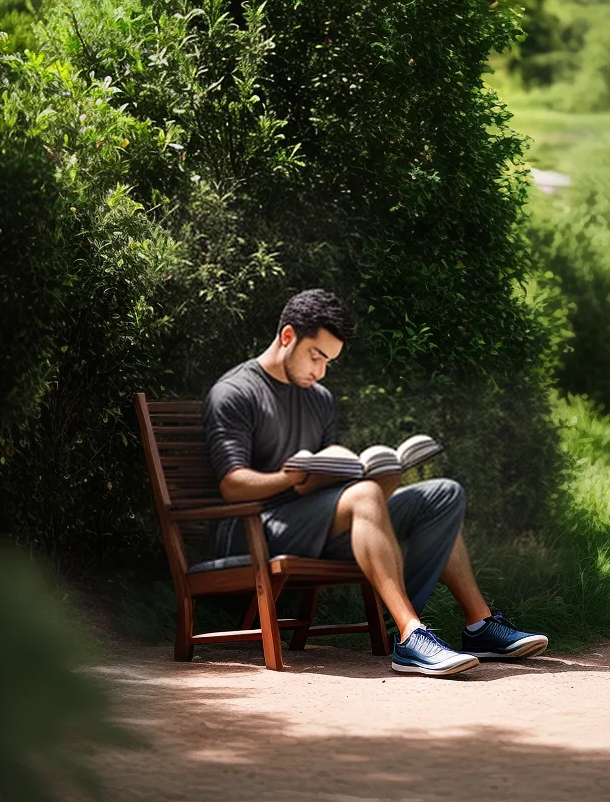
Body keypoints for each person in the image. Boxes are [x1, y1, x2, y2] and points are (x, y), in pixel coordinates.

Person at [203, 287, 549, 676]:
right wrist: (288, 477)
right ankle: (409, 635)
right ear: (287, 337)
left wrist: (377, 478)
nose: (321, 372)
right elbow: (232, 485)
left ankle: (479, 626)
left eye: (330, 362)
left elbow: (328, 473)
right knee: (365, 495)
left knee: (442, 495)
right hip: (260, 527)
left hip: (319, 520)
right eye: (317, 356)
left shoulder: (319, 398)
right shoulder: (234, 392)